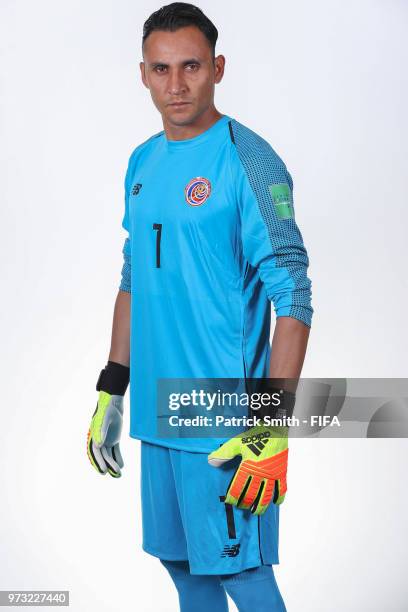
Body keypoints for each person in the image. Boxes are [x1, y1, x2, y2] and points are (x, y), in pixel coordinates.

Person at [87, 3, 313, 610]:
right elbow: (134, 274)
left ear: (217, 67)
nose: (176, 84)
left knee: (243, 575)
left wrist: (272, 421)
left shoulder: (250, 161)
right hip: (159, 411)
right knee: (182, 567)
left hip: (223, 419)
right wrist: (113, 386)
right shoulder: (142, 161)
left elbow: (293, 292)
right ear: (143, 74)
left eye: (191, 66)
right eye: (161, 70)